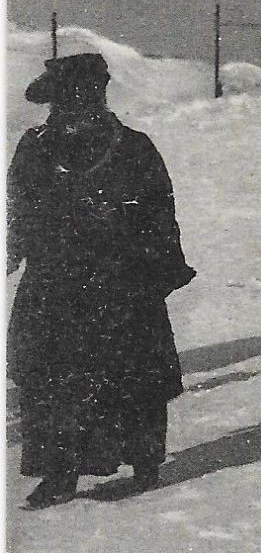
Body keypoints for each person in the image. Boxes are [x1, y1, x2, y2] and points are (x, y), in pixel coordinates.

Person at [7, 53, 195, 510]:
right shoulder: (35, 146)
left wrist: (125, 225)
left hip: (120, 282)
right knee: (49, 372)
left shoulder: (133, 147)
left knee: (129, 371)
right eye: (67, 101)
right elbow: (20, 204)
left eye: (88, 98)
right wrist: (16, 245)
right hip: (55, 282)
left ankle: (144, 461)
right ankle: (59, 472)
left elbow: (158, 213)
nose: (78, 109)